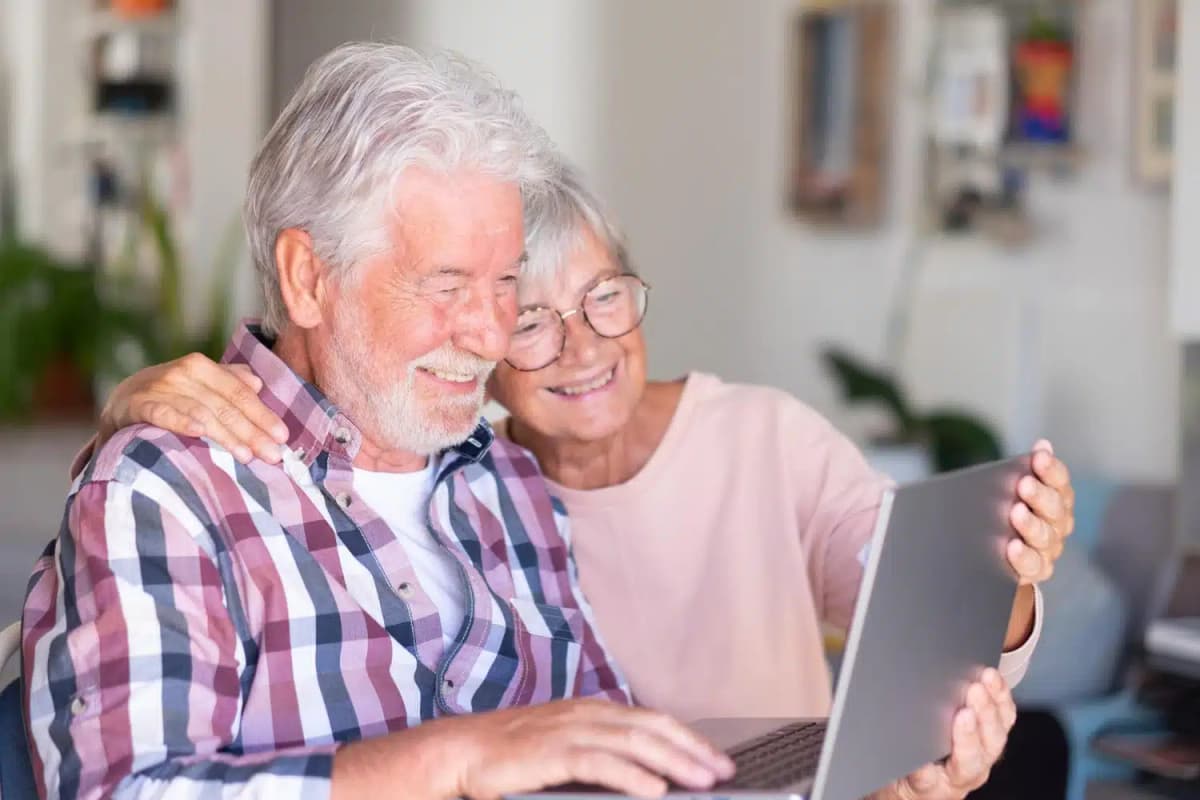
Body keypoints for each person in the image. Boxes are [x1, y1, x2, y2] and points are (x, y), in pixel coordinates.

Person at [86, 155, 1076, 800]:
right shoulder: (480, 483)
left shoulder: (761, 436)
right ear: (482, 346)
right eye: (531, 321)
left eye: (605, 296)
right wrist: (124, 409)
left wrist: (1007, 584)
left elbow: (910, 610)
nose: (583, 346)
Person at [22, 44, 737, 800]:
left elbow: (610, 757)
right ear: (307, 280)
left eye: (504, 283)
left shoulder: (512, 483)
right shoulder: (171, 492)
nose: (492, 336)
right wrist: (451, 762)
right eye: (448, 284)